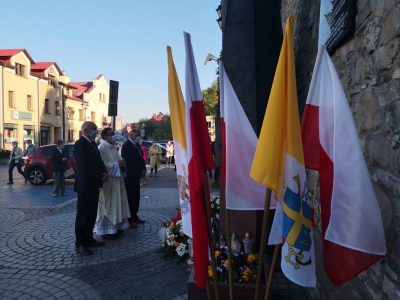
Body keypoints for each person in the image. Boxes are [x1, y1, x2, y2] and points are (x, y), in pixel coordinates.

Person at [73, 121, 108, 255]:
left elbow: (99, 161)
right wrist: (99, 175)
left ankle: (89, 238)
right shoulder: (79, 145)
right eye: (94, 129)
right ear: (86, 130)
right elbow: (84, 165)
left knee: (92, 213)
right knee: (83, 215)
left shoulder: (93, 144)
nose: (96, 131)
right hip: (85, 184)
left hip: (94, 184)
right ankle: (80, 243)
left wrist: (104, 172)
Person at [94, 128, 131, 240]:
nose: (114, 136)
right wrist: (116, 164)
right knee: (109, 206)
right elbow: (102, 166)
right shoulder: (101, 148)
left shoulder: (113, 147)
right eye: (112, 134)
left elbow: (118, 159)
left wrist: (121, 162)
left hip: (117, 181)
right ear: (105, 137)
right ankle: (107, 230)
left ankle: (117, 227)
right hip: (108, 183)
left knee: (117, 204)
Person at [121, 128, 146, 227]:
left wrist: (143, 169)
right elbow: (128, 162)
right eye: (137, 135)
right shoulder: (126, 146)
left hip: (137, 175)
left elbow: (140, 159)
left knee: (136, 196)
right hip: (130, 175)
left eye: (139, 135)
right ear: (131, 135)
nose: (138, 137)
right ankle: (129, 219)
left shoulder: (136, 145)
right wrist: (139, 171)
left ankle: (134, 215)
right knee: (130, 197)